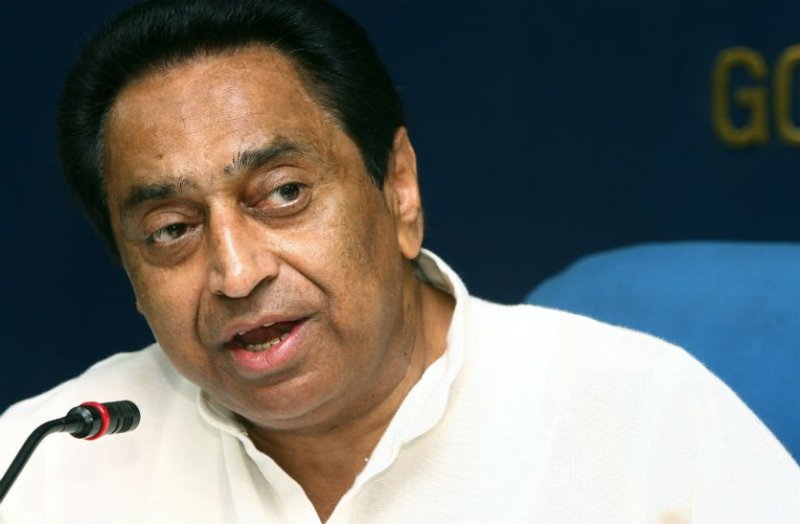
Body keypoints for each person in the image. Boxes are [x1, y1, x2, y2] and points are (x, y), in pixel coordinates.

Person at [0, 0, 797, 522]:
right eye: (172, 230)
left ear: (400, 189)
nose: (237, 274)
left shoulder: (645, 423)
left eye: (283, 194)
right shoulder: (49, 462)